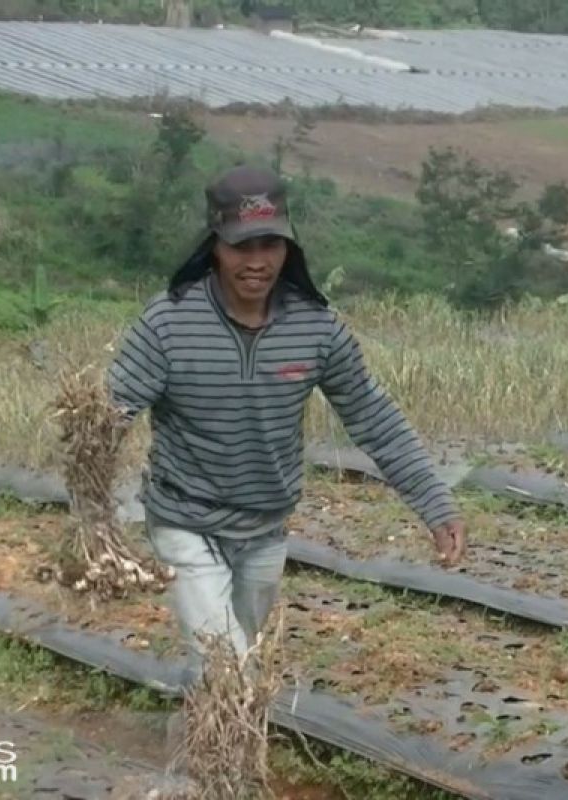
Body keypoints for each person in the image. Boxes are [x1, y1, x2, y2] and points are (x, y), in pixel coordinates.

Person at [108, 164, 467, 670]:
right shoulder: (169, 322)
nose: (257, 263)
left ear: (288, 248)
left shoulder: (315, 328)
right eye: (241, 247)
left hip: (265, 527)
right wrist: (89, 514)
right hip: (185, 522)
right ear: (215, 245)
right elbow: (107, 416)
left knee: (235, 655)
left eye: (269, 246)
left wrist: (435, 503)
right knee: (226, 665)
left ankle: (195, 739)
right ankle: (223, 748)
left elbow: (373, 417)